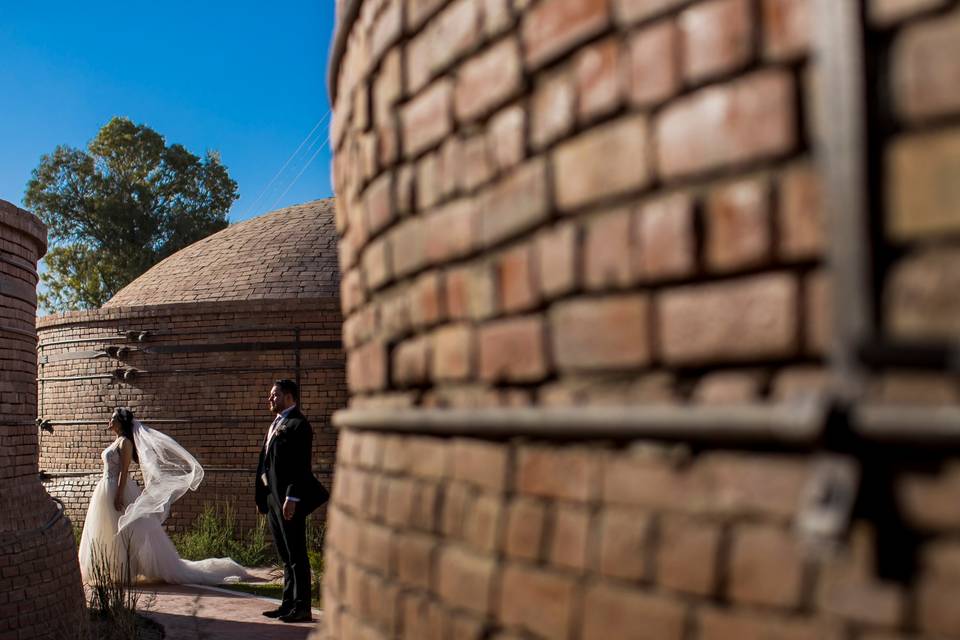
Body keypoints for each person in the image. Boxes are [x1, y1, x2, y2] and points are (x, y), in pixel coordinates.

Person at [77, 407, 251, 585]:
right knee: (109, 528)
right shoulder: (116, 442)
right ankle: (111, 567)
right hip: (106, 487)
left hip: (116, 488)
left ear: (121, 422)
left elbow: (124, 471)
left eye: (113, 418)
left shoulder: (125, 443)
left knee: (125, 529)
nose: (110, 421)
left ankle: (125, 569)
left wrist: (119, 494)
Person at [256, 379, 329, 623]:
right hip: (273, 499)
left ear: (289, 397)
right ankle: (287, 604)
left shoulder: (299, 425)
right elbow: (264, 462)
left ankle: (302, 608)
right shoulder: (276, 424)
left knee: (297, 555)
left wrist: (292, 497)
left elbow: (300, 467)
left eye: (274, 395)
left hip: (289, 500)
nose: (270, 399)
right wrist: (262, 496)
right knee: (286, 556)